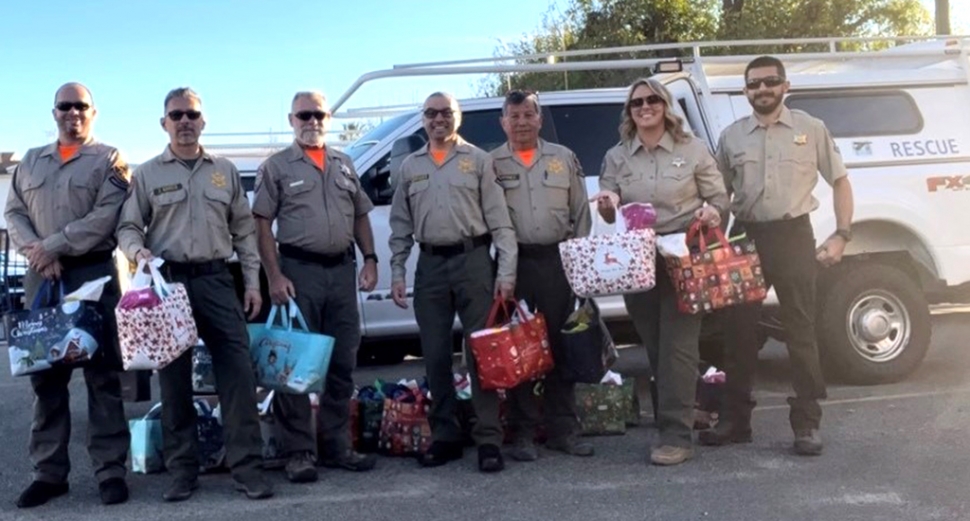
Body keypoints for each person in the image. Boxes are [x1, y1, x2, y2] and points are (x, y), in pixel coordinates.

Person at [117, 87, 272, 501]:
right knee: (174, 382)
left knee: (238, 375)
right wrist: (137, 251)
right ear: (163, 122)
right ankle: (182, 471)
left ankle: (247, 468)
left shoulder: (224, 171)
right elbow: (128, 226)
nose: (185, 121)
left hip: (217, 280)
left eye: (192, 114)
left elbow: (243, 230)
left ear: (203, 121)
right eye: (177, 115)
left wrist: (253, 282)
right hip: (169, 287)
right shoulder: (148, 174)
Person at [703, 56, 853, 456]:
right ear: (745, 90)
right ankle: (736, 421)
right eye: (754, 84)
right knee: (737, 333)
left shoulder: (811, 129)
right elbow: (719, 196)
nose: (762, 89)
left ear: (785, 86)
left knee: (801, 330)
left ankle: (806, 423)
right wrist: (710, 219)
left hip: (793, 236)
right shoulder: (731, 137)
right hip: (746, 238)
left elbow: (840, 181)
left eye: (770, 82)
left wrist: (842, 234)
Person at [5, 82, 131, 508]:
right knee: (46, 379)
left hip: (92, 273)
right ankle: (49, 473)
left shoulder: (110, 159)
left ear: (93, 112)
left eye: (81, 106)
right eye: (65, 106)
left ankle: (111, 470)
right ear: (54, 111)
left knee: (103, 376)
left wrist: (53, 245)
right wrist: (38, 254)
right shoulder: (31, 162)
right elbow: (14, 213)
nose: (72, 113)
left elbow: (106, 217)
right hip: (44, 279)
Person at [592, 78, 728, 466]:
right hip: (639, 260)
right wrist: (608, 203)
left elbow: (718, 196)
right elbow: (609, 203)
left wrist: (713, 210)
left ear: (665, 105)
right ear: (629, 111)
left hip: (684, 256)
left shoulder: (692, 149)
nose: (644, 106)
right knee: (655, 346)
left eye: (652, 99)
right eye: (636, 102)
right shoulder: (617, 156)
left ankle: (676, 436)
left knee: (679, 349)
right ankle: (675, 418)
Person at [252, 90, 379, 483]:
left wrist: (370, 259)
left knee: (343, 362)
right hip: (299, 272)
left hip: (341, 273)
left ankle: (335, 445)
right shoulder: (275, 167)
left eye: (319, 114)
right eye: (304, 115)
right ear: (291, 120)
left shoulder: (344, 163)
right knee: (295, 366)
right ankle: (299, 453)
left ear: (328, 118)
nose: (312, 121)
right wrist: (274, 276)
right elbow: (261, 224)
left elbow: (360, 214)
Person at [388, 92, 517, 472]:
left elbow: (500, 222)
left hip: (474, 262)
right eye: (430, 113)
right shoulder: (410, 167)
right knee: (435, 355)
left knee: (482, 354)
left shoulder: (479, 160)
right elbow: (400, 226)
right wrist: (397, 271)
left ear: (457, 117)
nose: (438, 119)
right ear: (423, 119)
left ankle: (488, 438)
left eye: (446, 112)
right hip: (429, 267)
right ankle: (445, 435)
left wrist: (505, 272)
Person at [490, 89, 594, 461]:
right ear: (503, 121)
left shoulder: (563, 158)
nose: (521, 123)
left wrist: (577, 264)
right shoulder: (492, 164)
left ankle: (563, 430)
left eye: (528, 115)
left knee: (561, 345)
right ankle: (521, 434)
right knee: (519, 349)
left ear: (539, 118)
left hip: (557, 262)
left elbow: (581, 214)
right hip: (514, 266)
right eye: (513, 116)